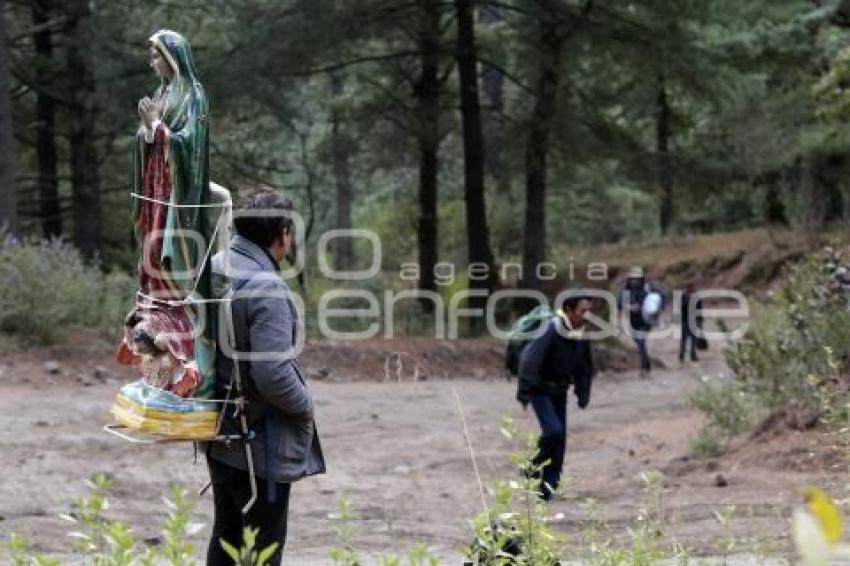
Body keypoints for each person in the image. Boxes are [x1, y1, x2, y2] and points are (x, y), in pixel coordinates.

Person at [206, 189, 325, 565]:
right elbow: (273, 374)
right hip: (261, 445)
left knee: (227, 538)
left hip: (220, 432)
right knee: (261, 550)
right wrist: (305, 407)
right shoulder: (267, 287)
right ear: (283, 235)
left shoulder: (216, 265)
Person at [116, 29, 216, 398]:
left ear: (173, 58)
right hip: (154, 192)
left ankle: (182, 354)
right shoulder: (161, 93)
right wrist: (147, 134)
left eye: (157, 55)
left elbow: (191, 144)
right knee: (151, 259)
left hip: (177, 200)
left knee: (172, 263)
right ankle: (155, 354)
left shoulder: (194, 95)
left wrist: (159, 130)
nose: (152, 62)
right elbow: (147, 138)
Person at [515, 295, 595, 501]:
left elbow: (585, 367)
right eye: (583, 311)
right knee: (553, 431)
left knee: (560, 440)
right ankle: (532, 467)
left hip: (560, 390)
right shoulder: (551, 329)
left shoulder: (580, 334)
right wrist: (524, 390)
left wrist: (582, 392)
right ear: (569, 309)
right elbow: (529, 359)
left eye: (590, 311)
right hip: (539, 389)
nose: (588, 316)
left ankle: (548, 488)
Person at [618, 266, 661, 379]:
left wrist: (639, 307)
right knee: (639, 344)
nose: (634, 281)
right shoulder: (625, 291)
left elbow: (653, 303)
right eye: (633, 278)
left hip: (645, 321)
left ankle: (644, 369)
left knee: (641, 343)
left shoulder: (646, 290)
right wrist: (627, 307)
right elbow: (620, 304)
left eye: (637, 278)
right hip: (632, 322)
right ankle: (646, 366)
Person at [679, 282, 703, 363]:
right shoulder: (684, 296)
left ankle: (693, 355)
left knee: (694, 339)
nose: (691, 289)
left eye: (692, 287)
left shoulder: (697, 296)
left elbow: (700, 309)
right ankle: (682, 355)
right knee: (684, 339)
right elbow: (681, 307)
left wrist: (700, 321)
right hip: (685, 320)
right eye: (690, 287)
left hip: (694, 320)